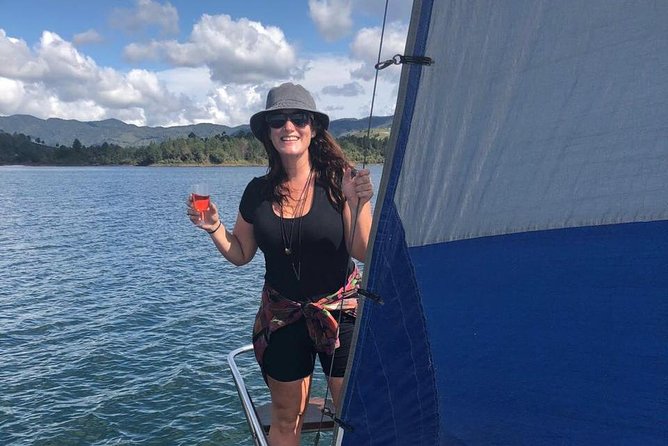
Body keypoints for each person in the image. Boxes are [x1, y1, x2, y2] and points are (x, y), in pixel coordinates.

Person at [186, 82, 373, 446]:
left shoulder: (341, 180)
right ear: (268, 133)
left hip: (341, 313)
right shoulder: (257, 191)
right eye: (278, 120)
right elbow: (241, 254)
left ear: (313, 128)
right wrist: (214, 228)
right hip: (284, 316)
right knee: (286, 418)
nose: (288, 126)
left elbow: (363, 251)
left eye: (299, 118)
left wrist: (359, 203)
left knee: (355, 414)